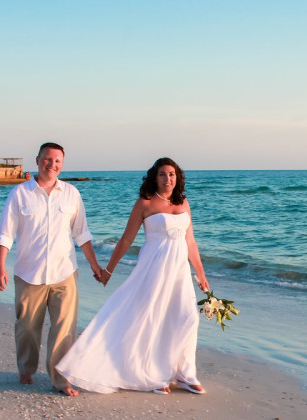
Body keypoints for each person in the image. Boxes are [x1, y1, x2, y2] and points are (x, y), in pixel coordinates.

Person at [56, 157, 209, 395]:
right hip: (154, 268)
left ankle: (185, 373)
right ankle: (154, 375)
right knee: (152, 318)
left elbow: (190, 241)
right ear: (154, 177)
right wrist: (108, 270)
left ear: (177, 177)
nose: (167, 178)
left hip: (179, 271)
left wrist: (200, 273)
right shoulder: (145, 203)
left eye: (171, 174)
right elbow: (127, 239)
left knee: (187, 318)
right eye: (162, 174)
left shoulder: (183, 202)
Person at [0, 142, 102, 397]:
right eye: (47, 159)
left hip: (65, 272)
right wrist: (0, 267)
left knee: (64, 328)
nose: (51, 164)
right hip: (29, 273)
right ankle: (26, 368)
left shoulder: (72, 194)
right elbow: (5, 234)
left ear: (62, 164)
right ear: (38, 160)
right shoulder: (20, 194)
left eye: (57, 161)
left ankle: (60, 379)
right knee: (28, 327)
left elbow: (81, 233)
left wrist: (95, 265)